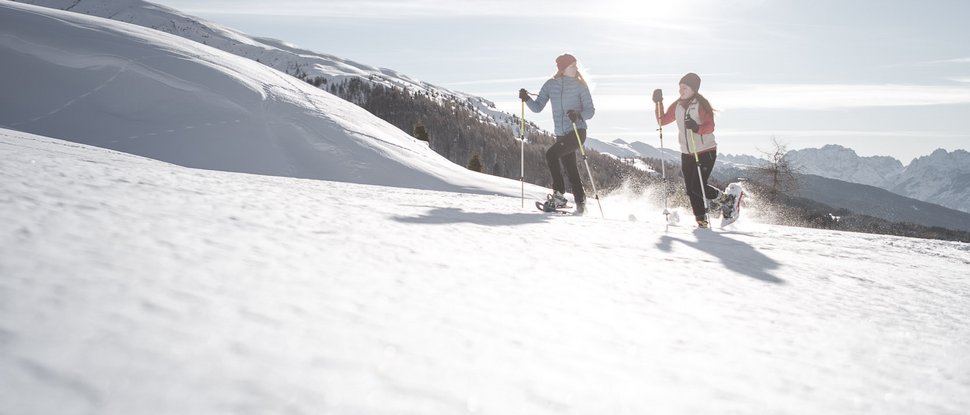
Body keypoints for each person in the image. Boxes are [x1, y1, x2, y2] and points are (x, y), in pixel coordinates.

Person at [519, 53, 595, 215]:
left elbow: (590, 111)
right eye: (572, 66)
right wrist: (526, 99)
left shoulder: (580, 85)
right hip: (561, 134)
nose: (576, 68)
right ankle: (581, 202)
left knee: (551, 155)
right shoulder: (550, 85)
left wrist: (578, 114)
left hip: (577, 131)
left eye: (576, 66)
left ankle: (559, 195)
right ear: (563, 68)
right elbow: (538, 107)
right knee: (571, 168)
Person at [654, 73, 734, 228]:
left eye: (684, 88)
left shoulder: (700, 104)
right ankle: (701, 221)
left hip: (705, 151)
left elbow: (710, 126)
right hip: (687, 153)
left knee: (698, 186)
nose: (680, 91)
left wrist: (697, 127)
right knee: (691, 190)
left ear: (693, 89)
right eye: (680, 87)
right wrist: (658, 102)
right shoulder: (678, 105)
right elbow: (662, 120)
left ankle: (728, 200)